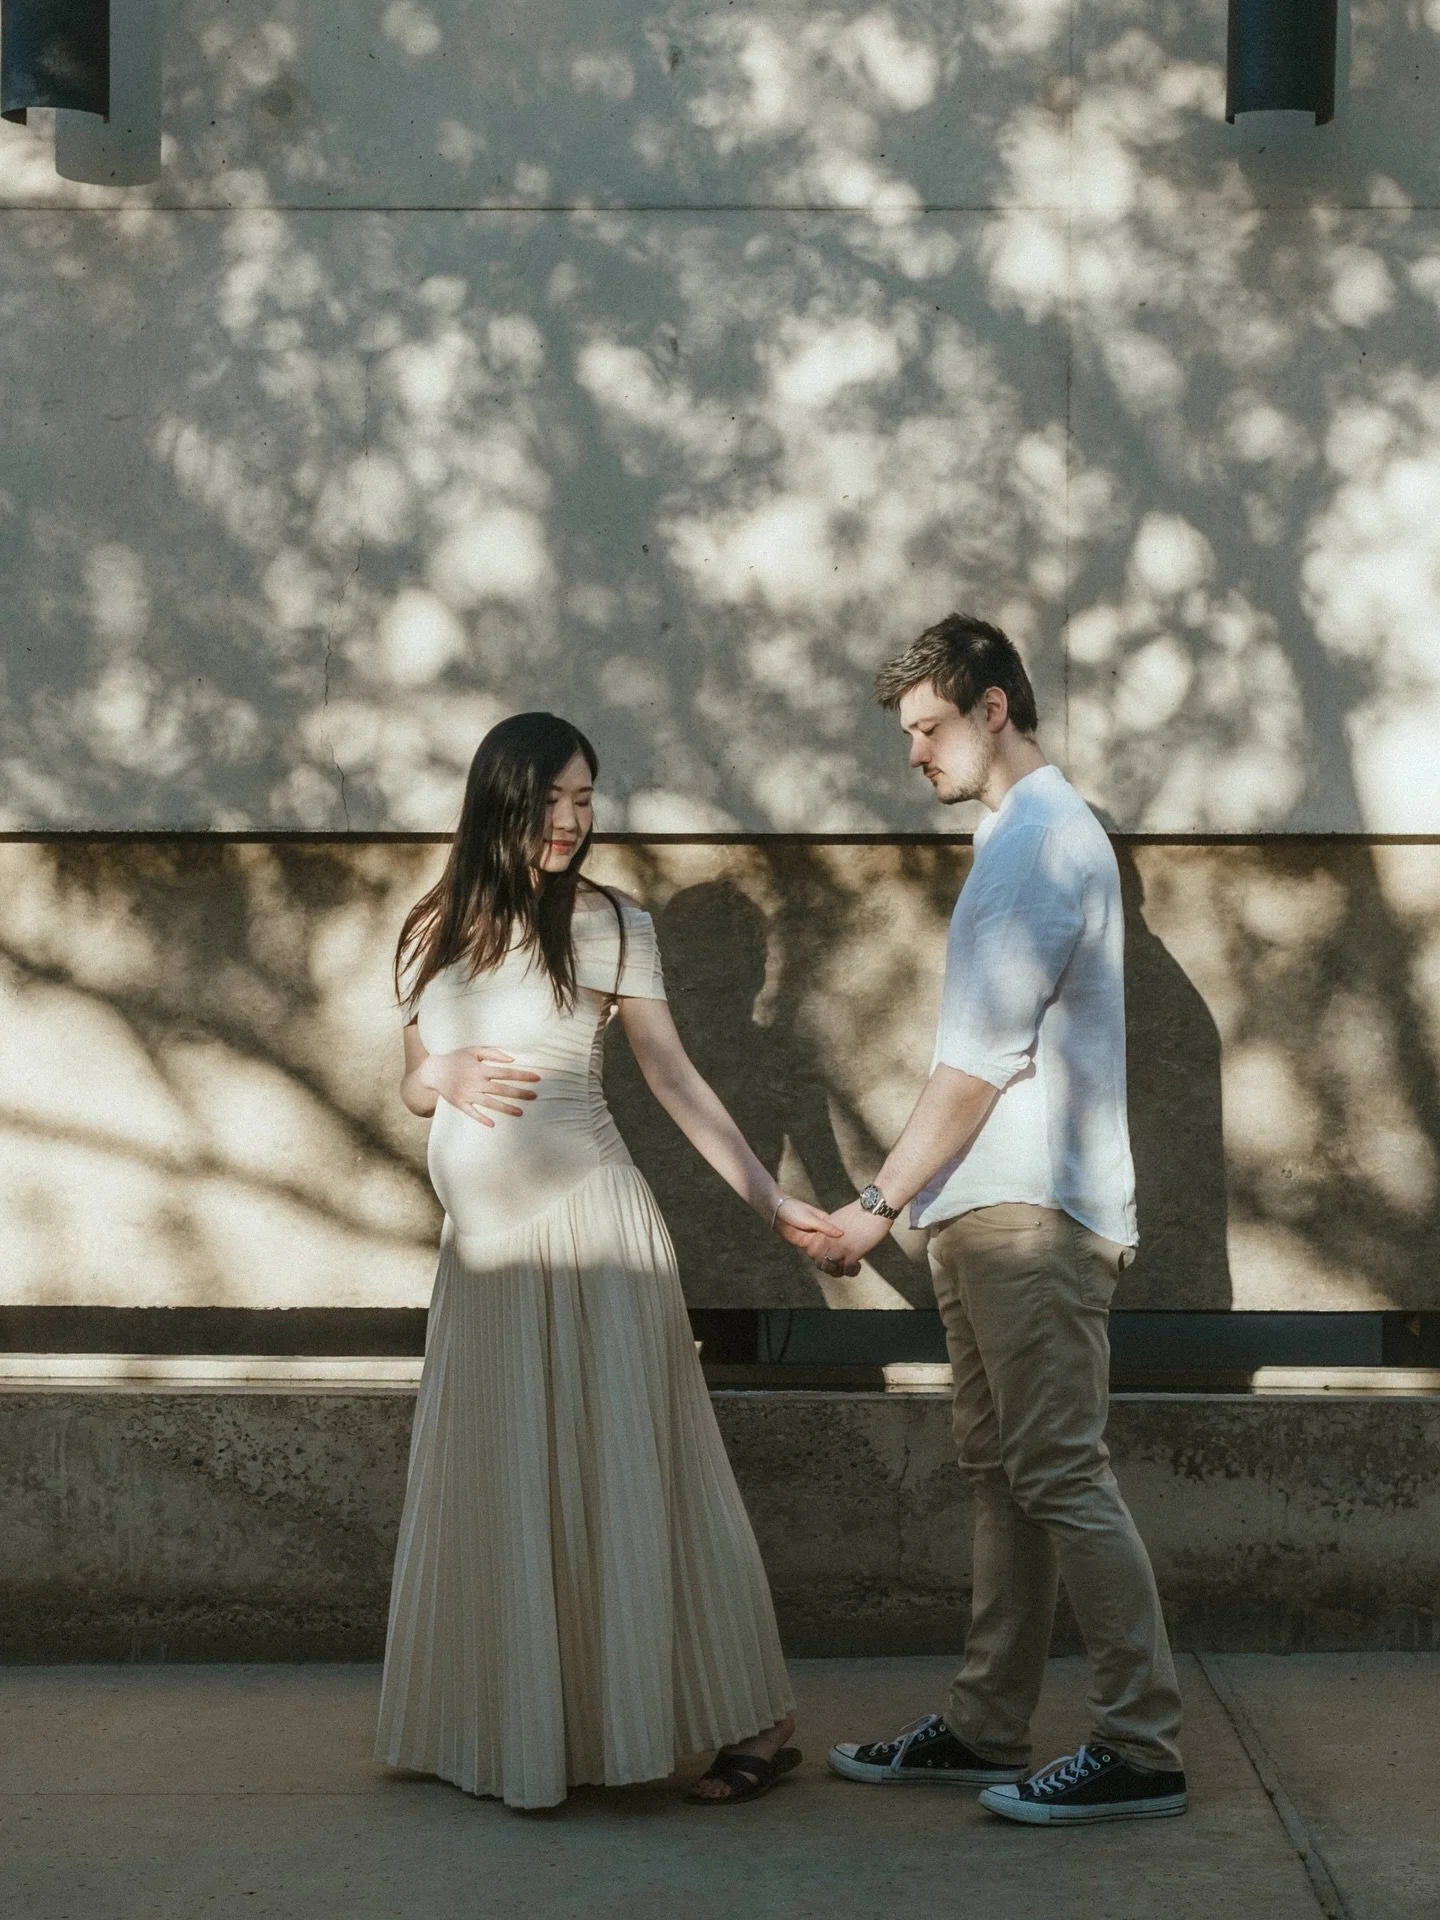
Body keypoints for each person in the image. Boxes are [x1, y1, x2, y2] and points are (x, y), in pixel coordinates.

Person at [374, 711, 840, 1811]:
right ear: (502, 800)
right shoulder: (427, 928)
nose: (573, 823)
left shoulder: (612, 924)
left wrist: (773, 1201)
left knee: (652, 1483)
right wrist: (436, 1079)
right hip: (484, 1260)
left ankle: (762, 1725)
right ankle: (527, 1729)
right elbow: (409, 1082)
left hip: (594, 1237)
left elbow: (673, 1080)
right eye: (552, 802)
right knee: (509, 1492)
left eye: (586, 800)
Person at [807, 615, 1186, 1826]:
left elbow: (977, 1065)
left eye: (928, 728)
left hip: (1031, 1214)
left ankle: (1141, 1748)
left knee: (1061, 1474)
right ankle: (984, 1725)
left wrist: (875, 1204)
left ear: (992, 710)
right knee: (1006, 1479)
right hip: (987, 1214)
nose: (914, 754)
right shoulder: (1012, 841)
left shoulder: (1038, 844)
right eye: (907, 733)